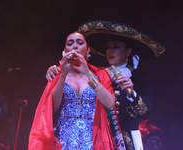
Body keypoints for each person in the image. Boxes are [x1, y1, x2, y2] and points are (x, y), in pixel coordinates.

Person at [46, 21, 165, 150]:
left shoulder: (139, 78)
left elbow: (145, 113)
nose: (111, 51)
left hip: (126, 141)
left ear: (128, 51)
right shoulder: (99, 74)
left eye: (117, 46)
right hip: (98, 137)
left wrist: (131, 93)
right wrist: (54, 70)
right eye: (108, 47)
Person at [28, 32, 116, 150]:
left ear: (88, 49)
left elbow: (109, 103)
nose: (75, 46)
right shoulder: (57, 73)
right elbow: (52, 107)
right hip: (64, 138)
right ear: (65, 49)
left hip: (92, 138)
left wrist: (88, 74)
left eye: (79, 43)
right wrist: (63, 75)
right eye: (70, 43)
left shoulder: (100, 74)